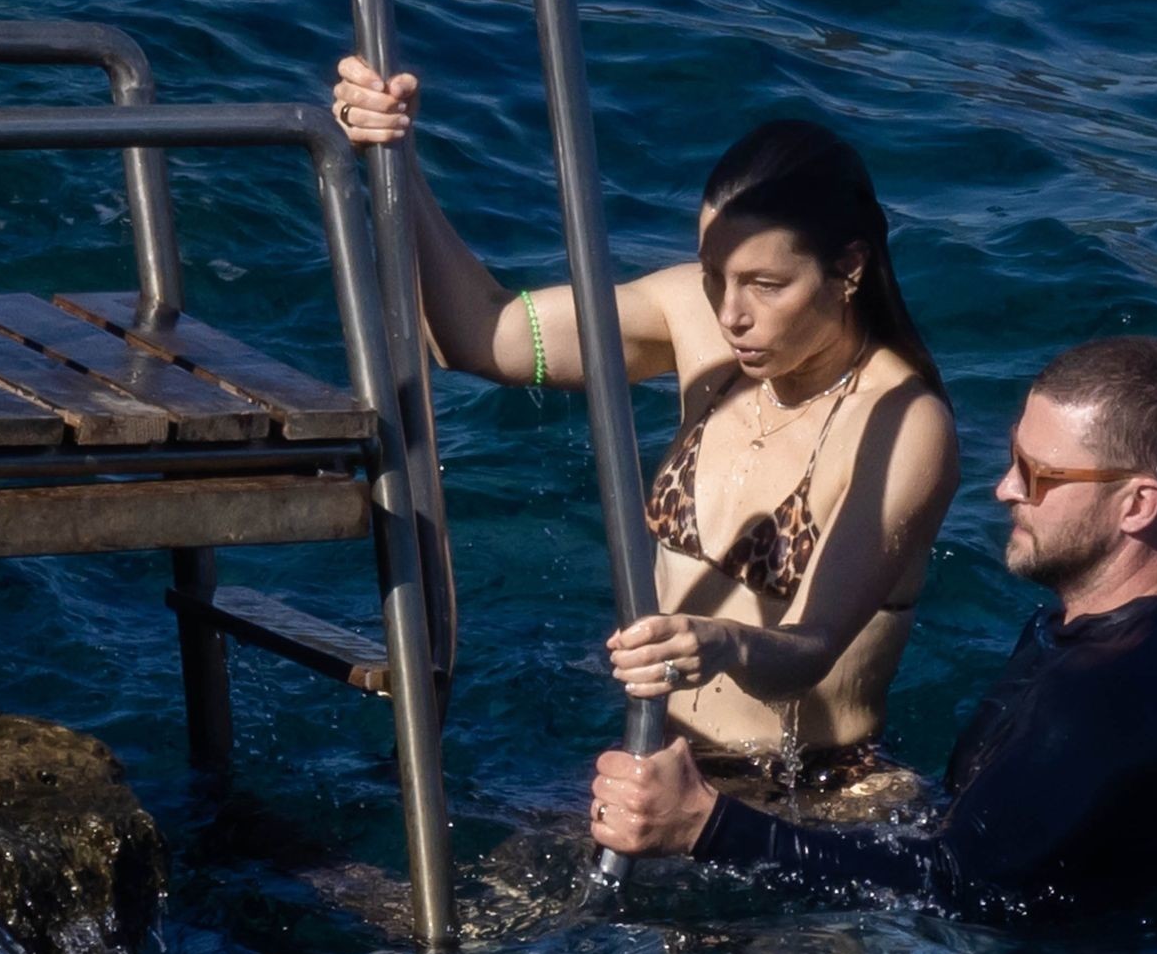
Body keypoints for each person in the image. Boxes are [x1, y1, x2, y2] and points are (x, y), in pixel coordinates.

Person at [331, 59, 958, 765]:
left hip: (798, 789)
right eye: (715, 275)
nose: (731, 314)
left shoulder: (901, 423)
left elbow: (810, 651)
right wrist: (395, 161)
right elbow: (480, 335)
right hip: (659, 752)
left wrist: (723, 642)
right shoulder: (694, 316)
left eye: (766, 285)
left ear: (849, 269)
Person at [588, 336, 1157, 921]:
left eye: (1038, 475)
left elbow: (957, 887)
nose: (1005, 488)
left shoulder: (1108, 694)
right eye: (1014, 457)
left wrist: (706, 825)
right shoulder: (1097, 634)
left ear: (1138, 504)